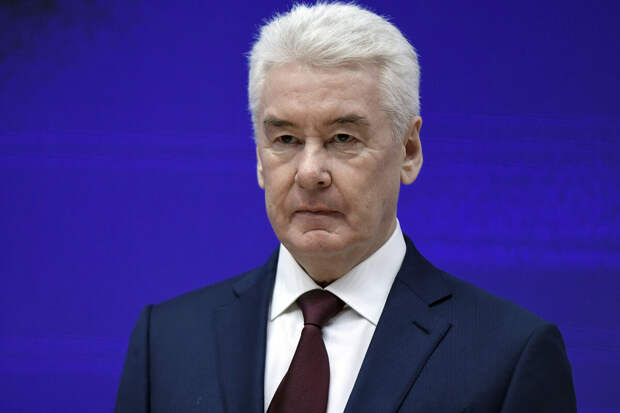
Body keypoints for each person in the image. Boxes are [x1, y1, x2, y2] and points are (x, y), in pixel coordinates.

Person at [115, 3, 577, 412]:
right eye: (285, 139)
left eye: (342, 138)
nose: (309, 172)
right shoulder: (166, 341)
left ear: (409, 150)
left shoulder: (508, 355)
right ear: (258, 157)